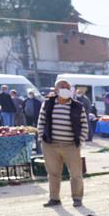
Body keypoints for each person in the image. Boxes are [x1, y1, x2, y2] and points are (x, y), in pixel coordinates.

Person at [37, 79, 86, 208]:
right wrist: (42, 137)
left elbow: (84, 125)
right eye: (62, 86)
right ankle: (54, 198)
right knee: (53, 173)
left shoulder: (77, 106)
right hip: (50, 145)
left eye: (67, 87)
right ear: (56, 90)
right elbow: (41, 122)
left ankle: (77, 198)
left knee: (75, 174)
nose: (65, 88)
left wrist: (79, 141)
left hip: (71, 146)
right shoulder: (48, 104)